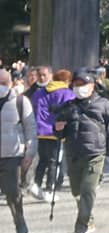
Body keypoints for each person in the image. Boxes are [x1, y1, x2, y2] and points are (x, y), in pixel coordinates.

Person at [53, 71, 109, 233]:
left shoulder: (104, 105)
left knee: (88, 188)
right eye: (76, 84)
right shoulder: (68, 107)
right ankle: (89, 218)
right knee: (77, 191)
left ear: (93, 85)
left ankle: (82, 224)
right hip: (73, 153)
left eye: (83, 84)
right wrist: (57, 129)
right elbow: (59, 132)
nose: (80, 88)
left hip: (96, 153)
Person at [0, 69, 35, 233]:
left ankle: (19, 220)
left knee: (12, 192)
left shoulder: (21, 102)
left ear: (10, 84)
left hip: (12, 154)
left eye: (3, 84)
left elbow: (30, 128)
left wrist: (30, 152)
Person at [30, 67, 74, 202]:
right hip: (56, 130)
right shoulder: (66, 93)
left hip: (40, 131)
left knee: (42, 160)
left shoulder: (38, 92)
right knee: (54, 162)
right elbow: (72, 110)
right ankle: (50, 190)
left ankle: (36, 184)